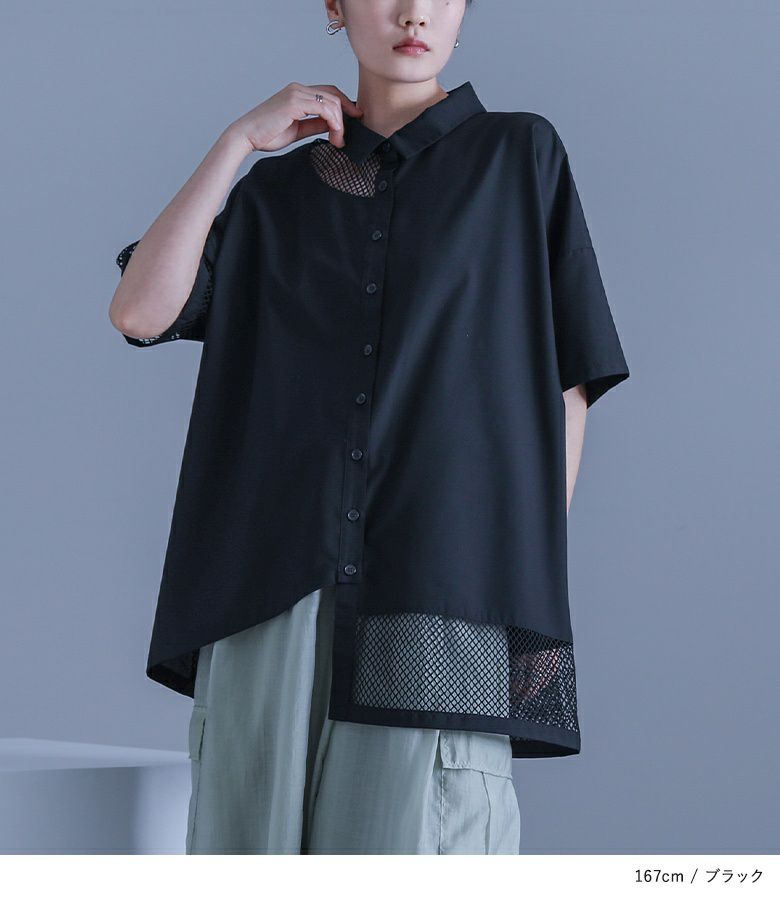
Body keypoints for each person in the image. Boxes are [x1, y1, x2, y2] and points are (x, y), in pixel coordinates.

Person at [109, 0, 629, 855]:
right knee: (247, 848)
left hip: (440, 584)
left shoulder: (518, 155)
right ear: (336, 7)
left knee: (422, 840)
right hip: (269, 588)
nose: (415, 13)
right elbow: (139, 312)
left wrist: (522, 585)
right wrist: (236, 143)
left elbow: (567, 387)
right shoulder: (275, 194)